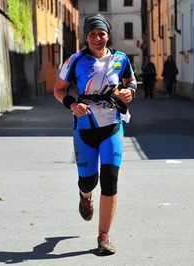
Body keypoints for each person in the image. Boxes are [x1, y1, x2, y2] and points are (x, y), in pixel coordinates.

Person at [53, 14, 137, 256]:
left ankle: (104, 236)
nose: (97, 38)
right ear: (86, 37)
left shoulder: (120, 59)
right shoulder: (75, 60)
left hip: (112, 124)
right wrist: (72, 104)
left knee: (110, 181)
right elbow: (58, 90)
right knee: (89, 181)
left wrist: (129, 91)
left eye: (101, 34)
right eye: (92, 34)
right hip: (85, 127)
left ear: (108, 35)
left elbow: (131, 80)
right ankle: (85, 196)